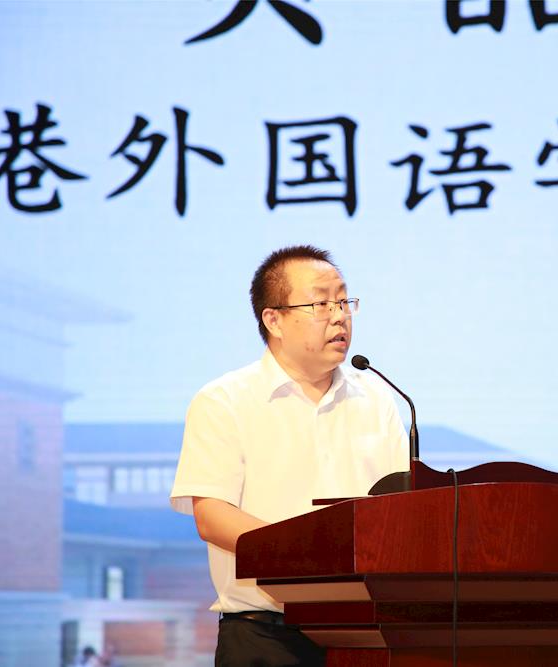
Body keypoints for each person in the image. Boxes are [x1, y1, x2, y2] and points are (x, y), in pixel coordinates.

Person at [170, 245, 408, 667]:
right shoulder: (224, 400)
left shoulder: (378, 400)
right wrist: (307, 556)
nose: (339, 316)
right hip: (265, 636)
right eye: (321, 303)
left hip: (366, 634)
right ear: (273, 320)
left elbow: (397, 511)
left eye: (344, 301)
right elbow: (212, 516)